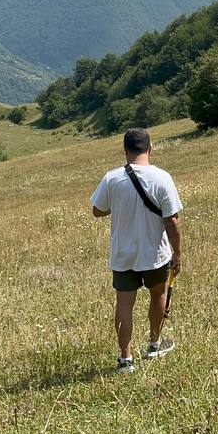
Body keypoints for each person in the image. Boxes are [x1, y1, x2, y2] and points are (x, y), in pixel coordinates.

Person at [90, 127, 183, 374]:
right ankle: (153, 345)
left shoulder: (112, 178)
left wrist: (118, 204)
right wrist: (178, 253)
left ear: (125, 150)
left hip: (123, 255)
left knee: (124, 304)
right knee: (157, 295)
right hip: (156, 253)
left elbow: (97, 210)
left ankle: (125, 360)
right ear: (150, 148)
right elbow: (172, 220)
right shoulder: (163, 178)